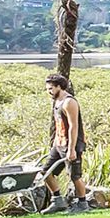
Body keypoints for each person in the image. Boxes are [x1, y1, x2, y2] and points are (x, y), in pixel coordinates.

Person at [42, 72, 87, 205]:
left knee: (75, 176)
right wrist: (55, 143)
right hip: (59, 144)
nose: (49, 92)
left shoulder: (69, 102)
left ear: (59, 87)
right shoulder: (57, 101)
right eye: (47, 89)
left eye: (51, 88)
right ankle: (57, 201)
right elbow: (59, 124)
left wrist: (72, 149)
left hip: (71, 145)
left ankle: (83, 203)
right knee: (46, 172)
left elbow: (73, 127)